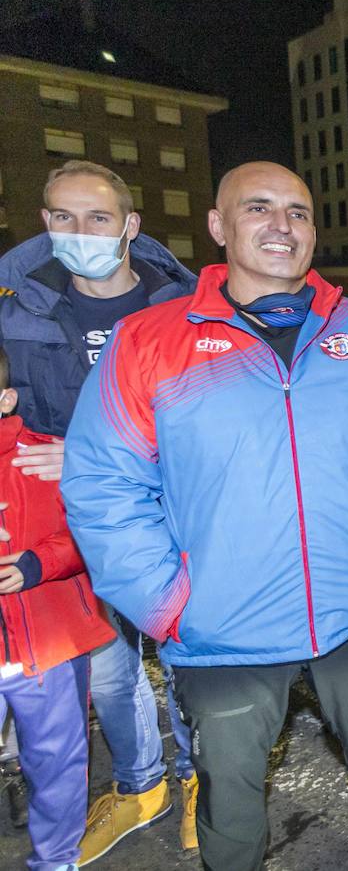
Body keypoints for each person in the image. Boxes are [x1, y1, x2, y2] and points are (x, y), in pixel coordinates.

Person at [61, 161, 348, 870]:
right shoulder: (149, 341)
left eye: (298, 212)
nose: (282, 225)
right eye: (259, 208)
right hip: (221, 629)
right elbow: (103, 485)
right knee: (230, 800)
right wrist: (164, 601)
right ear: (218, 225)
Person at [0, 159, 200, 862]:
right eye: (62, 217)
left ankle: (194, 782)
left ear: (129, 226)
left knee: (183, 658)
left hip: (170, 511)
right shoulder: (17, 309)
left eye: (97, 218)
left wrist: (84, 456)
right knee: (109, 667)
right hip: (68, 530)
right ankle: (142, 783)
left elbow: (207, 429)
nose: (78, 232)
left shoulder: (183, 308)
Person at [0, 347, 115, 871]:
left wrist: (33, 563)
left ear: (5, 399)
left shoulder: (48, 457)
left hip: (45, 646)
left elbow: (88, 531)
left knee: (57, 764)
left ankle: (56, 860)